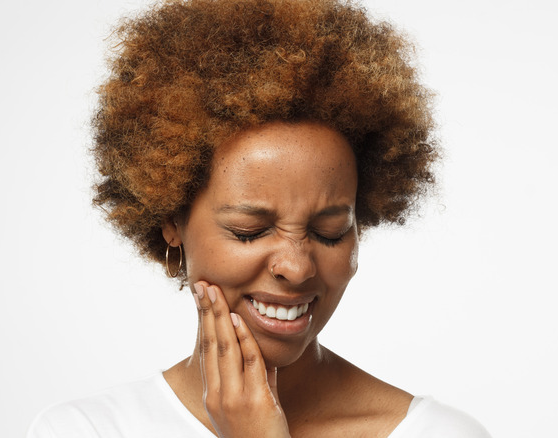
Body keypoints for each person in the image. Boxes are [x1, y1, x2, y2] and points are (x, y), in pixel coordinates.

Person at [28, 0, 491, 436]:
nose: (297, 266)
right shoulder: (86, 430)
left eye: (329, 233)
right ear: (171, 219)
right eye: (250, 231)